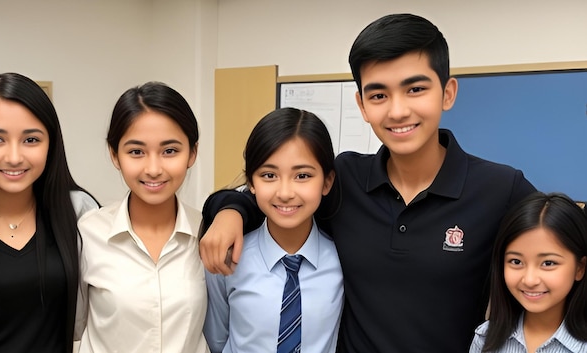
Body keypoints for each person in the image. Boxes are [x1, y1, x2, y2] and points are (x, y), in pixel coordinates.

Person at [199, 13, 537, 353]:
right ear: (361, 104)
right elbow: (278, 198)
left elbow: (566, 249)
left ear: (447, 93)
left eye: (415, 89)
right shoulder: (346, 178)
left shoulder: (499, 188)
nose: (398, 111)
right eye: (379, 95)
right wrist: (230, 212)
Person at [0, 72, 99, 353]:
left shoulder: (79, 212)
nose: (14, 157)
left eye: (31, 140)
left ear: (51, 144)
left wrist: (217, 208)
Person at [75, 81, 209, 352]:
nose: (153, 168)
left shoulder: (207, 231)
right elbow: (76, 326)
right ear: (115, 155)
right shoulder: (88, 232)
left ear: (192, 153)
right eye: (136, 152)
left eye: (169, 151)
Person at [203, 107, 343, 353]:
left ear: (327, 182)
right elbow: (216, 339)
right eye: (269, 175)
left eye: (302, 175)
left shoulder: (343, 261)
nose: (285, 193)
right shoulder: (227, 257)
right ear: (251, 183)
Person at [469, 192, 587, 352]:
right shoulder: (485, 338)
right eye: (516, 262)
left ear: (580, 268)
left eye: (548, 263)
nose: (530, 280)